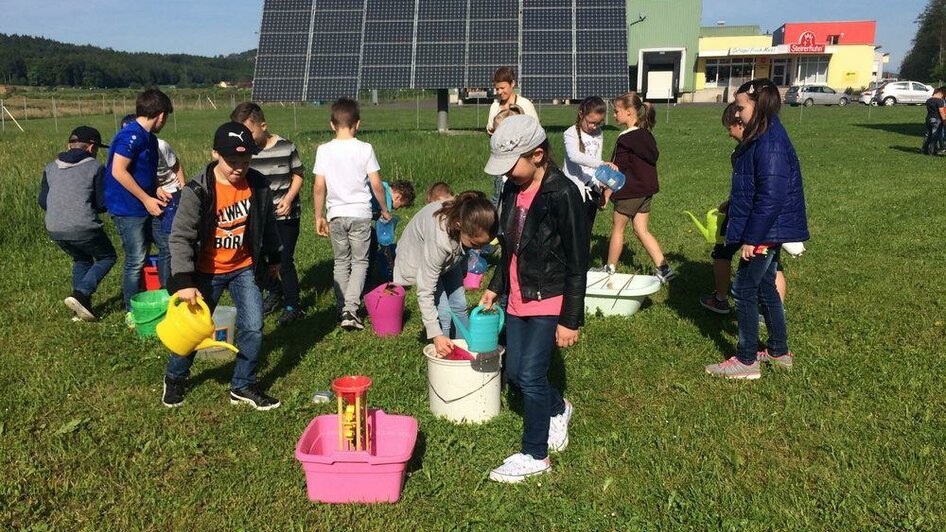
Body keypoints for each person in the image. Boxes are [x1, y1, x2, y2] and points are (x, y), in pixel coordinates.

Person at [479, 115, 589, 483]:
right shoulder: (513, 189)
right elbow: (510, 246)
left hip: (548, 298)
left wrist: (570, 319)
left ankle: (535, 454)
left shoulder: (563, 194)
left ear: (538, 154)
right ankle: (559, 407)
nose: (507, 175)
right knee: (513, 372)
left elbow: (577, 261)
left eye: (512, 166)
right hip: (517, 296)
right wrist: (496, 285)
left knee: (530, 374)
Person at [162, 122, 283, 410]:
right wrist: (184, 280)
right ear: (215, 153)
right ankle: (175, 377)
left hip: (244, 267)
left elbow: (267, 226)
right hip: (205, 272)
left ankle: (242, 385)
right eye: (232, 161)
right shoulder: (197, 190)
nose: (238, 167)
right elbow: (180, 237)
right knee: (194, 331)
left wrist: (274, 258)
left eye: (245, 160)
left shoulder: (258, 185)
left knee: (253, 326)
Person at [705, 79, 809, 380]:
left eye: (741, 107)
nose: (736, 114)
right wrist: (732, 202)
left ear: (759, 106)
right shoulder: (763, 134)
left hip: (766, 230)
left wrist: (753, 238)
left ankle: (747, 360)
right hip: (766, 227)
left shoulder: (769, 142)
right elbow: (757, 185)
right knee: (764, 286)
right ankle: (778, 351)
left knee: (743, 287)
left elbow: (772, 196)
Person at [313, 98, 392, 330]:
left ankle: (341, 308)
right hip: (360, 214)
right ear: (357, 124)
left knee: (341, 261)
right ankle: (351, 309)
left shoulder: (324, 150)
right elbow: (376, 184)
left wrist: (319, 216)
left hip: (336, 214)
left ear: (331, 124)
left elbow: (319, 186)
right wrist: (385, 210)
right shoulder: (365, 148)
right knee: (360, 262)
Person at [700, 103, 787, 314]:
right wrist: (731, 201)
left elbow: (756, 188)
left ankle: (721, 299)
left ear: (740, 123)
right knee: (773, 261)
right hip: (765, 215)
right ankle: (773, 312)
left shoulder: (745, 151)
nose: (729, 134)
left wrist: (735, 206)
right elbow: (754, 186)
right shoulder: (769, 145)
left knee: (722, 251)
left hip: (749, 215)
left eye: (729, 127)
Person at [230, 102, 307, 326]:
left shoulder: (286, 147)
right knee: (256, 261)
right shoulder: (244, 154)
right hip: (257, 219)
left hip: (285, 217)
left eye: (249, 132)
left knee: (284, 261)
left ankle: (293, 305)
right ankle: (275, 292)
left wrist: (289, 198)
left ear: (263, 126)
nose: (245, 137)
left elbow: (298, 174)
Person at [393, 191, 497, 356]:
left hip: (449, 255)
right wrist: (436, 334)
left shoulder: (466, 219)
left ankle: (465, 348)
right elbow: (426, 290)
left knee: (460, 304)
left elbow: (463, 250)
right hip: (422, 257)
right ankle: (445, 354)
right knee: (444, 311)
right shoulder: (440, 241)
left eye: (482, 245)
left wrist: (463, 270)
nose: (478, 249)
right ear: (459, 225)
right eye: (474, 244)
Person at [104, 89, 173, 327]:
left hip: (148, 202)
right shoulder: (130, 136)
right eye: (167, 118)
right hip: (128, 208)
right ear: (161, 115)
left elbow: (144, 171)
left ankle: (167, 298)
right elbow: (118, 171)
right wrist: (146, 199)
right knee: (136, 259)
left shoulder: (150, 140)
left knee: (167, 246)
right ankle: (131, 310)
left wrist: (156, 189)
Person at [39, 126, 117, 321]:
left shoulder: (50, 167)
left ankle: (80, 310)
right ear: (91, 147)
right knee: (107, 257)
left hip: (54, 227)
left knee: (82, 260)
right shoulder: (95, 167)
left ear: (69, 145)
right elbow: (101, 203)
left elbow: (42, 201)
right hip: (83, 227)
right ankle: (81, 293)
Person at [598, 92, 674, 283]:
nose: (614, 115)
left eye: (617, 111)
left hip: (629, 193)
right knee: (641, 230)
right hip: (646, 192)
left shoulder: (625, 138)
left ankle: (609, 268)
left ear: (630, 112)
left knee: (618, 229)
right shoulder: (647, 135)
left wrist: (606, 193)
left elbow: (619, 169)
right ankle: (663, 268)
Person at [120, 112, 185, 288]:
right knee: (141, 249)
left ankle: (168, 286)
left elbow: (176, 166)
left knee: (169, 241)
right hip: (145, 199)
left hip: (169, 194)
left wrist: (182, 190)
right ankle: (143, 286)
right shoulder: (124, 151)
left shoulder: (160, 145)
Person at [487, 67, 539, 207]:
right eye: (497, 89)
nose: (499, 92)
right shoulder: (495, 106)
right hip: (501, 157)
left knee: (520, 193)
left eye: (503, 88)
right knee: (499, 194)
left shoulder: (525, 104)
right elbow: (490, 129)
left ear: (512, 84)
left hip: (522, 157)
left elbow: (535, 130)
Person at [562, 96, 616, 229]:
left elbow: (595, 160)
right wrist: (601, 163)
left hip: (592, 192)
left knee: (586, 230)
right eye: (591, 122)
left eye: (598, 123)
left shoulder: (598, 133)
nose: (594, 126)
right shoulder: (571, 133)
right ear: (581, 113)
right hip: (574, 191)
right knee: (572, 231)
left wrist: (600, 183)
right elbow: (574, 156)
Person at [368, 179, 416, 284]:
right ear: (398, 197)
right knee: (372, 247)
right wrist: (390, 262)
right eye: (401, 205)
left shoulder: (383, 185)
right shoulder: (387, 201)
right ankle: (367, 282)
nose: (398, 209)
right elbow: (383, 237)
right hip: (358, 219)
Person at [922, 87, 946, 156]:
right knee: (934, 136)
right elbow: (941, 112)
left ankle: (924, 149)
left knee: (929, 136)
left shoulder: (928, 100)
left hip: (928, 119)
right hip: (937, 120)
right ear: (940, 93)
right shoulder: (940, 101)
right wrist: (944, 121)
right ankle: (931, 152)